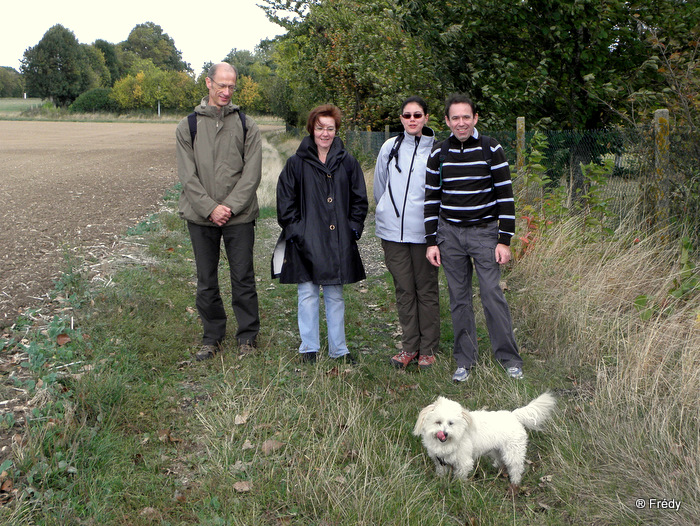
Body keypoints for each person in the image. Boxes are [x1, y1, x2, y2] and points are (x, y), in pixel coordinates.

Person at [424, 94, 524, 382]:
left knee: (492, 295)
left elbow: (505, 196)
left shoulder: (491, 149)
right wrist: (432, 241)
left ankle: (509, 359)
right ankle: (465, 361)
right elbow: (431, 199)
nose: (461, 123)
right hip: (450, 235)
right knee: (459, 299)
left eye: (466, 117)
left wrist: (504, 240)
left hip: (485, 234)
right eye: (455, 118)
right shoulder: (439, 154)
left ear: (475, 118)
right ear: (446, 121)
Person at [175, 62, 262, 361]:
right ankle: (212, 337)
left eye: (231, 86)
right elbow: (187, 176)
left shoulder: (248, 125)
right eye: (221, 85)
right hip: (201, 216)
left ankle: (247, 338)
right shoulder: (188, 126)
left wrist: (230, 207)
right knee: (206, 280)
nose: (226, 92)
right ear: (208, 83)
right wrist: (211, 208)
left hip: (239, 216)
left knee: (243, 277)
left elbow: (252, 174)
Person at [274, 104, 368, 364]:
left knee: (335, 296)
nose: (325, 133)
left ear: (336, 131)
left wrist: (352, 229)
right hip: (306, 241)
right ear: (311, 129)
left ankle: (339, 349)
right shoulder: (296, 163)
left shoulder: (348, 162)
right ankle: (309, 349)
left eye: (330, 128)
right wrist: (297, 231)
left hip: (338, 242)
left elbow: (360, 200)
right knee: (307, 295)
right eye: (320, 128)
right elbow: (285, 202)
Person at [374, 96, 440, 369]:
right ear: (401, 119)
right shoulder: (390, 147)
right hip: (393, 234)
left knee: (425, 290)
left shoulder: (438, 151)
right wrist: (387, 211)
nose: (411, 120)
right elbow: (380, 185)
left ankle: (428, 349)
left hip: (424, 236)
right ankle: (409, 346)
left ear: (426, 118)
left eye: (417, 115)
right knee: (404, 290)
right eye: (406, 115)